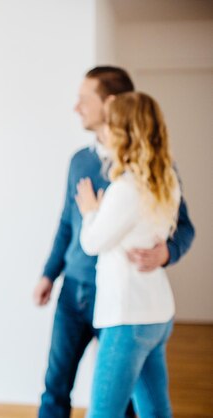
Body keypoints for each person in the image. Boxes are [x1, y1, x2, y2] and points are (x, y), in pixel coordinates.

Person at [34, 66, 195, 418]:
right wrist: (49, 274)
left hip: (122, 305)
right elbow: (66, 225)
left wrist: (166, 251)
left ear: (112, 107)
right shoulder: (82, 161)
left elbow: (183, 228)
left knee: (116, 408)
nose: (76, 107)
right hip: (80, 293)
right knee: (57, 386)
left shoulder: (149, 173)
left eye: (83, 99)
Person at [75, 91, 180, 417]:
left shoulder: (126, 188)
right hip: (157, 313)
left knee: (103, 412)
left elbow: (92, 243)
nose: (103, 131)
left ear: (123, 132)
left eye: (110, 124)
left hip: (127, 317)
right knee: (154, 411)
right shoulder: (167, 179)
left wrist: (91, 210)